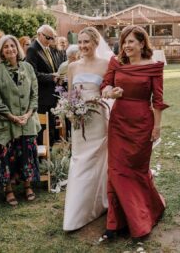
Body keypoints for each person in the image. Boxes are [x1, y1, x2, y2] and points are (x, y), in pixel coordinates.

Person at [100, 25, 168, 240]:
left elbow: (157, 100)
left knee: (136, 170)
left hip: (142, 123)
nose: (126, 45)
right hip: (119, 122)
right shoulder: (116, 63)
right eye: (124, 41)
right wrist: (112, 92)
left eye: (130, 41)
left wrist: (157, 127)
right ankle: (115, 222)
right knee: (117, 170)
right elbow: (104, 86)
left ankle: (146, 212)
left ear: (141, 43)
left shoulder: (154, 67)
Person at [63, 27, 109, 231]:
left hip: (98, 120)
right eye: (80, 42)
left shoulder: (106, 65)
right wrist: (70, 110)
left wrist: (96, 99)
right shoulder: (72, 67)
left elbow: (107, 92)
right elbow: (70, 94)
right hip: (79, 121)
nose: (82, 46)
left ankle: (98, 203)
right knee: (79, 160)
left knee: (96, 161)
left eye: (86, 42)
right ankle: (77, 211)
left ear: (96, 43)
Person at [0, 35, 41, 206]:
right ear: (1, 51)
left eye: (12, 46)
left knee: (26, 153)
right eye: (5, 47)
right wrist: (11, 116)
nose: (10, 49)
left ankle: (27, 186)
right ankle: (8, 190)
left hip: (27, 121)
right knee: (6, 156)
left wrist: (27, 114)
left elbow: (34, 95)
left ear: (17, 48)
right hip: (5, 122)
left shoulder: (28, 68)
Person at [26, 24, 60, 146]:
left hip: (52, 96)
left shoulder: (49, 48)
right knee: (42, 129)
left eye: (53, 38)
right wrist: (52, 77)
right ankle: (42, 159)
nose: (51, 40)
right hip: (41, 97)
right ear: (39, 34)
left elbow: (53, 68)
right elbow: (32, 74)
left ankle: (50, 156)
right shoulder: (32, 49)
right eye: (48, 38)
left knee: (51, 127)